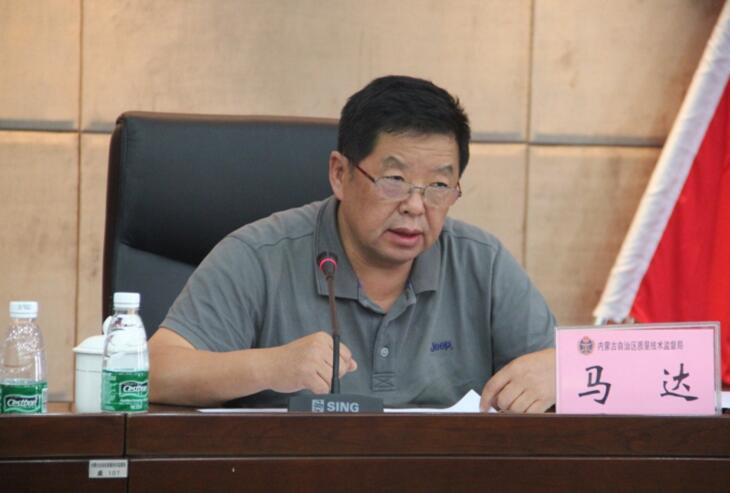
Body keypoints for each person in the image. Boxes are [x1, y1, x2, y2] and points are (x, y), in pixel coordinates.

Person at [148, 75, 556, 413]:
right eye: (394, 180)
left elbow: (576, 365)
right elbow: (149, 374)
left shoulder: (482, 263)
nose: (415, 206)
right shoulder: (258, 256)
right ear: (340, 174)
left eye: (438, 186)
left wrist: (561, 372)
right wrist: (269, 366)